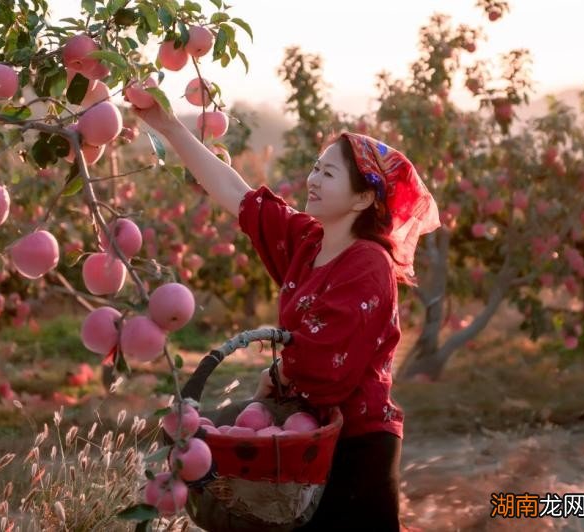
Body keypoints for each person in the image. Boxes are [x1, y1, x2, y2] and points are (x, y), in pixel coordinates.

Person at [133, 103, 440, 531]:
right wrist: (167, 125)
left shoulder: (368, 263)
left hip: (355, 448)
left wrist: (277, 375)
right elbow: (235, 192)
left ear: (363, 198)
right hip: (302, 442)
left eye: (328, 174)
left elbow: (327, 363)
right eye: (315, 168)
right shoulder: (309, 242)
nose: (313, 179)